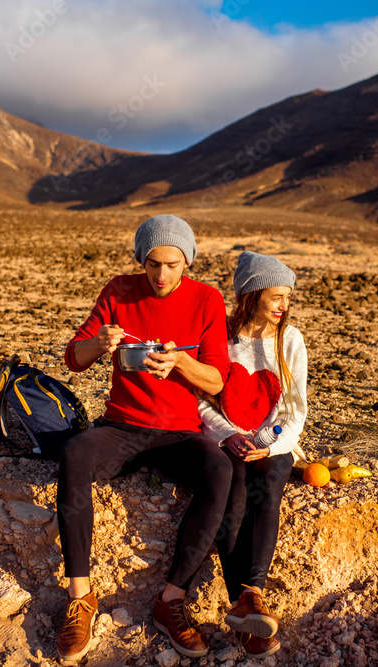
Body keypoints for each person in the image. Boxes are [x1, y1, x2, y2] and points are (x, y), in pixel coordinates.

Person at [55, 214, 233, 663]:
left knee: (219, 469)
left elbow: (215, 381)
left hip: (178, 433)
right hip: (122, 427)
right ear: (142, 260)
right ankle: (81, 597)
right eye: (153, 263)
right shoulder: (118, 290)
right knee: (75, 452)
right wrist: (101, 344)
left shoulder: (207, 300)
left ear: (187, 262)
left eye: (172, 264)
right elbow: (73, 358)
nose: (161, 275)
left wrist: (179, 365)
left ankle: (171, 600)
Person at [198, 251, 307, 660]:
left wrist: (268, 441)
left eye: (287, 297)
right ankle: (245, 609)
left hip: (273, 441)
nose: (284, 305)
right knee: (234, 487)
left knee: (271, 481)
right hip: (225, 439)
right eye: (276, 296)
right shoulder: (219, 338)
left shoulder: (290, 340)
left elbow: (295, 409)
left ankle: (252, 593)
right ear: (251, 294)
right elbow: (202, 403)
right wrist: (230, 436)